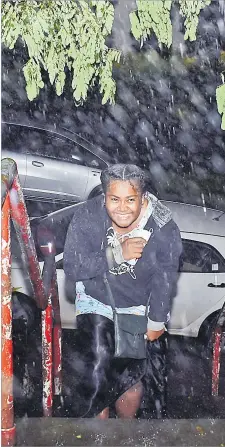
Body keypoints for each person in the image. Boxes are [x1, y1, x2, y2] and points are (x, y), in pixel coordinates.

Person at [63, 164, 182, 419]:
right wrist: (116, 254)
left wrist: (157, 319)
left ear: (143, 197)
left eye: (131, 199)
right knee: (98, 369)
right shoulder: (88, 215)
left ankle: (124, 434)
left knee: (130, 376)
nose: (122, 207)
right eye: (114, 199)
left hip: (137, 303)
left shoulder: (163, 226)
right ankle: (101, 437)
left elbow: (166, 277)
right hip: (96, 296)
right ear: (104, 196)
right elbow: (73, 268)